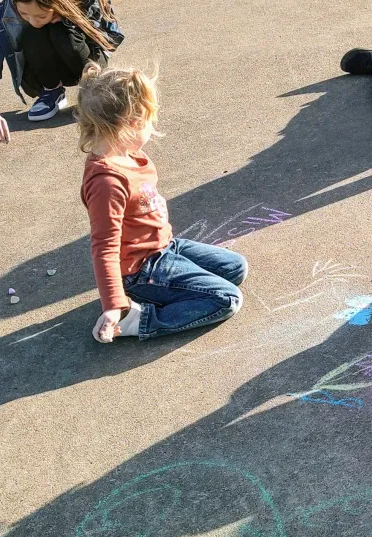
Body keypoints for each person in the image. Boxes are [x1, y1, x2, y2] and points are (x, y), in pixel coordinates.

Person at [76, 64, 246, 343]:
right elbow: (104, 248)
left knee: (235, 268)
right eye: (147, 122)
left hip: (164, 248)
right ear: (129, 123)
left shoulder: (129, 154)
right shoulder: (107, 182)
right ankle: (139, 319)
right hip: (141, 270)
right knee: (226, 298)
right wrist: (112, 305)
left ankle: (159, 295)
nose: (151, 128)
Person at [0, 0, 123, 143]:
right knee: (33, 34)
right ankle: (52, 91)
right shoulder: (9, 16)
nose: (33, 20)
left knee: (63, 34)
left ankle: (95, 90)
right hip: (44, 71)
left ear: (57, 2)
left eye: (42, 15)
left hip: (84, 62)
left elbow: (113, 36)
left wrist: (71, 23)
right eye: (24, 14)